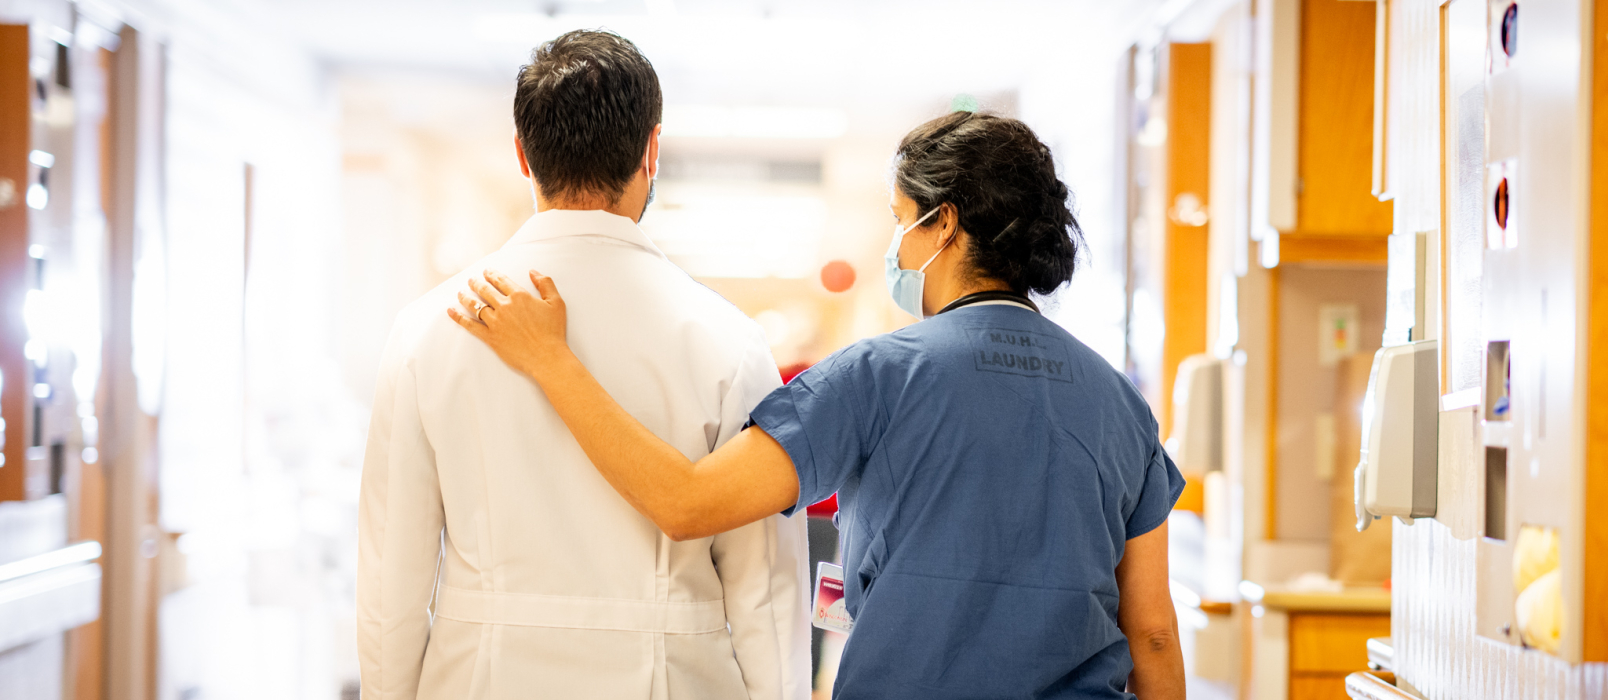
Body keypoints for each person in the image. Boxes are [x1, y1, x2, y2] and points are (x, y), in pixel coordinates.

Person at [452, 111, 1187, 699]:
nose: (896, 248)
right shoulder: (1121, 405)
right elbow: (1151, 633)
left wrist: (551, 360)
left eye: (903, 221)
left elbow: (685, 501)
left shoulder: (878, 376)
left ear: (947, 225)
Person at [357, 30, 808, 700]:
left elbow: (392, 578)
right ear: (652, 150)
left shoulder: (429, 329)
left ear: (521, 153)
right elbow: (763, 586)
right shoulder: (728, 340)